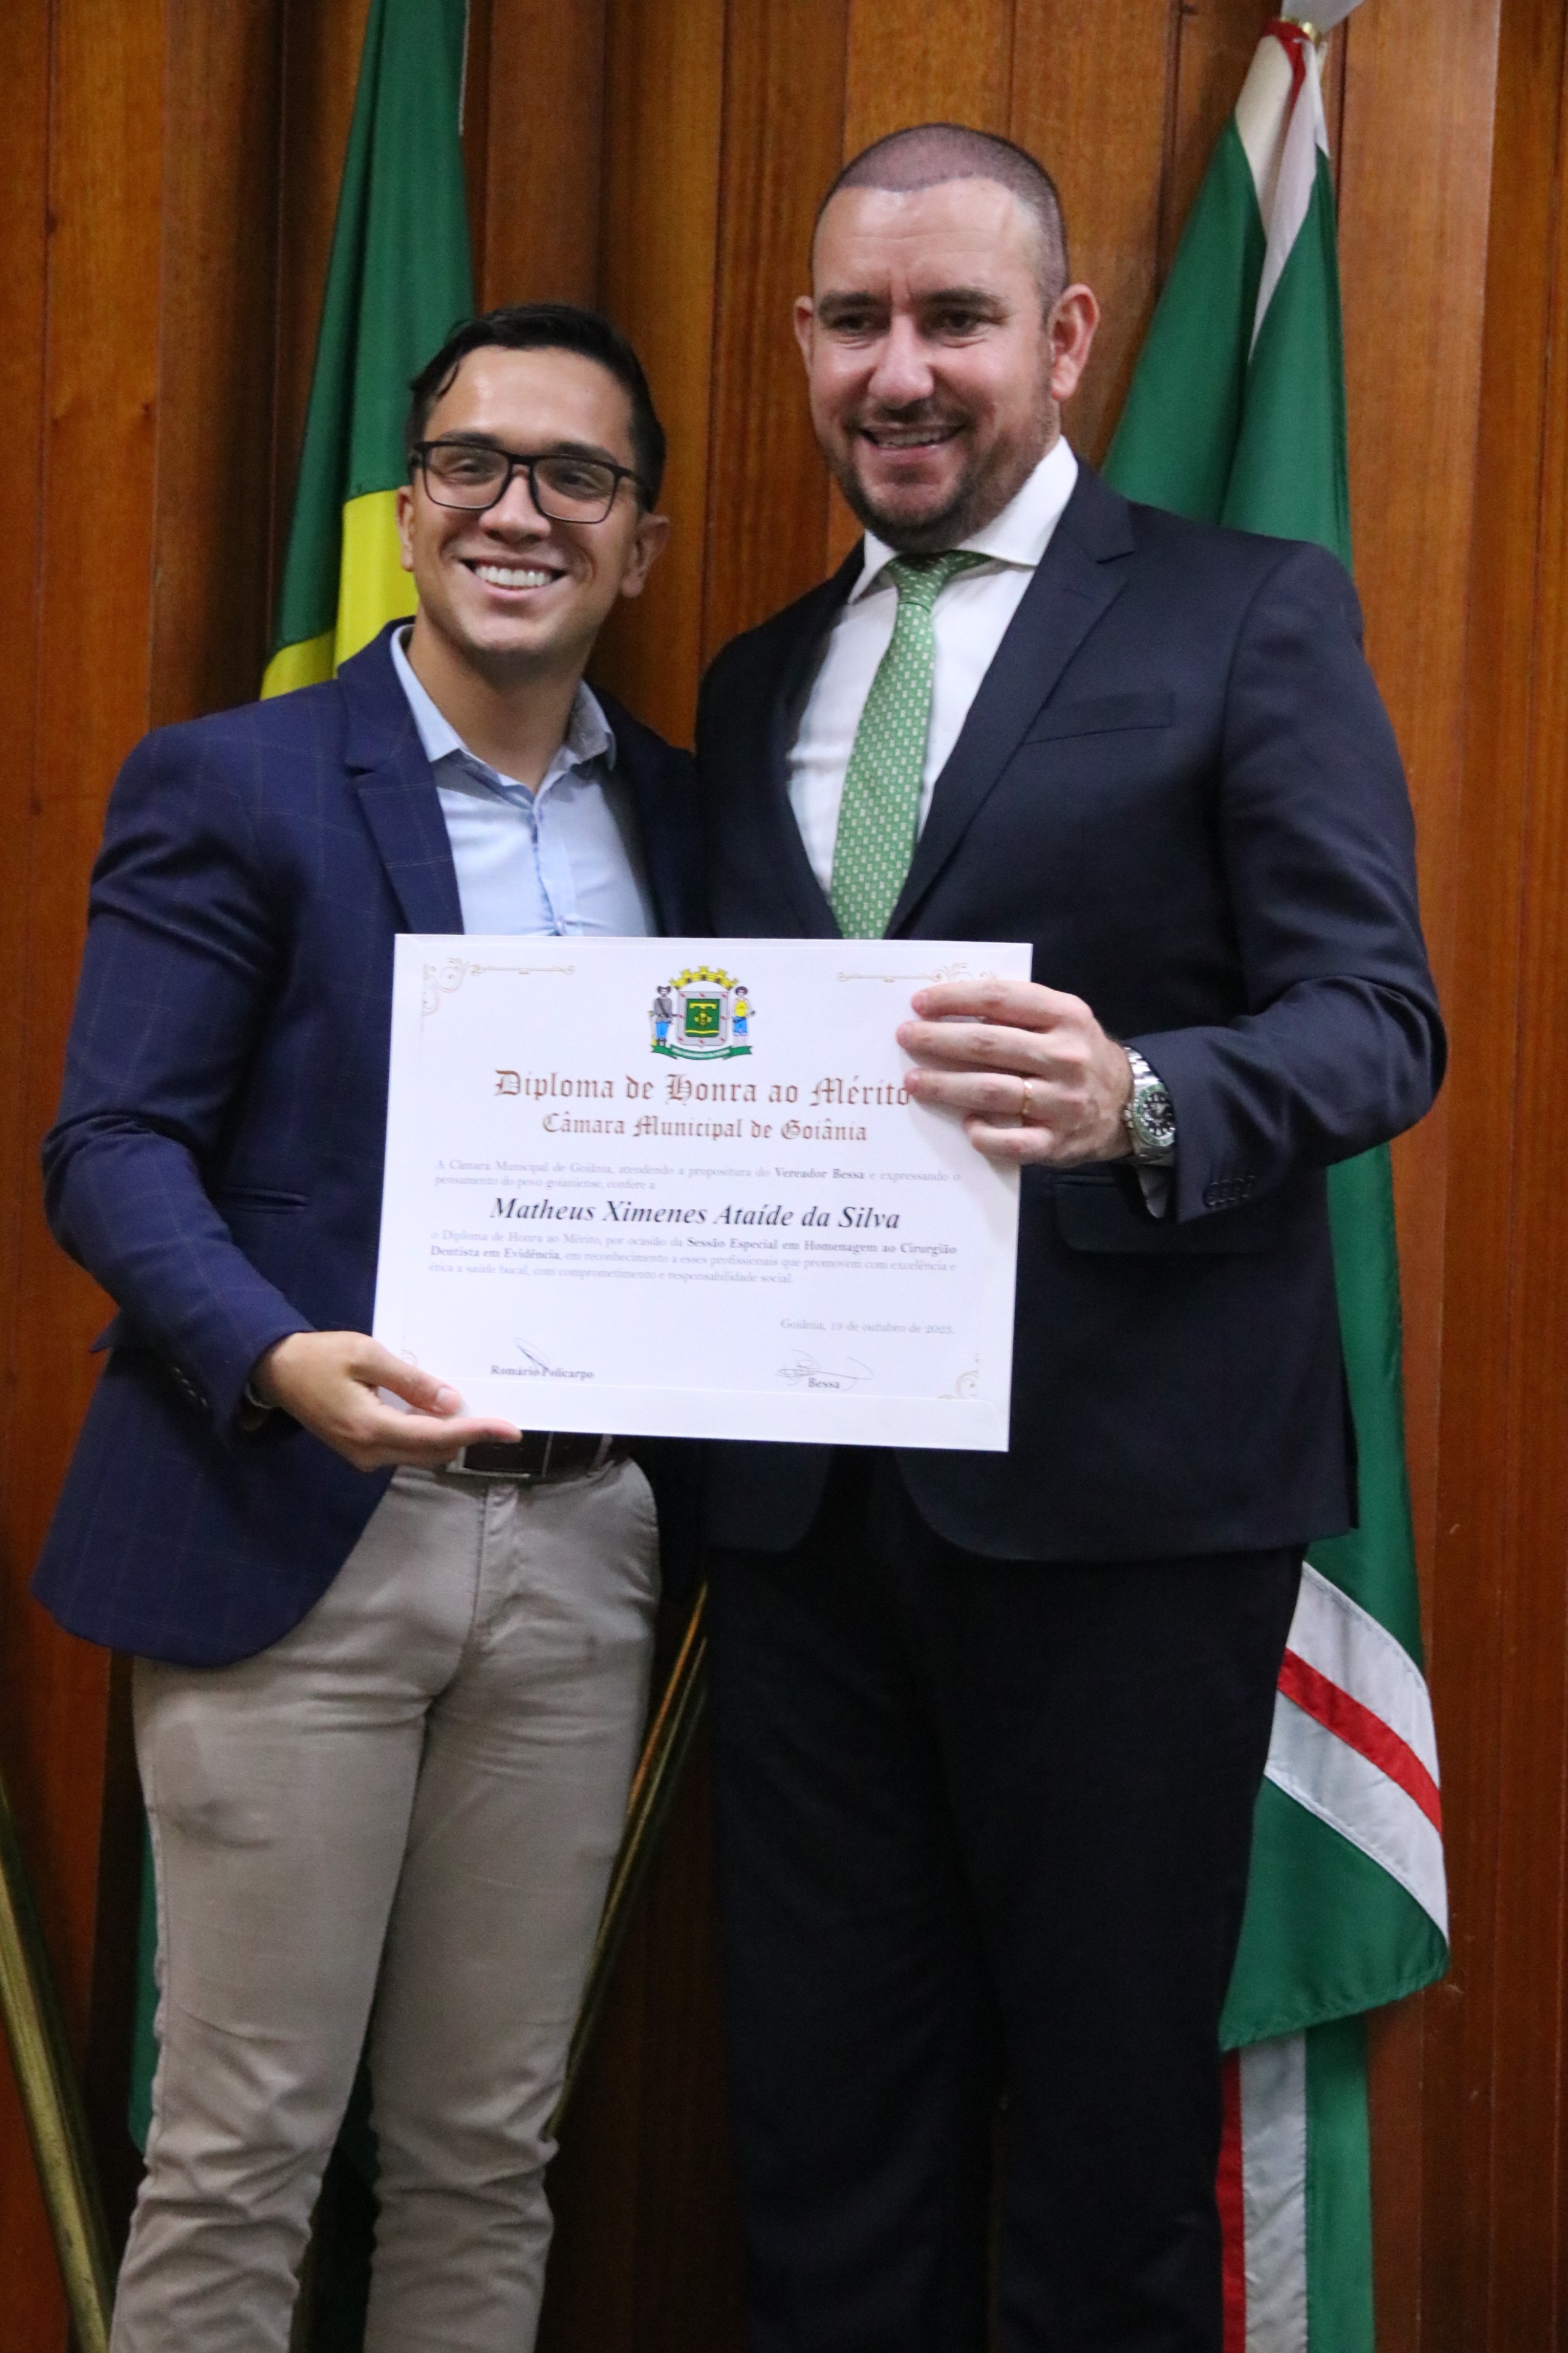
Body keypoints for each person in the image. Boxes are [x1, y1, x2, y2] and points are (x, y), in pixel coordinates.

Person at [696, 124, 1443, 2352]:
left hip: (1127, 1523)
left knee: (1111, 2170)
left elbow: (1376, 1019)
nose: (900, 371)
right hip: (801, 1527)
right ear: (804, 344)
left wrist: (1144, 1100)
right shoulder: (748, 679)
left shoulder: (1246, 612)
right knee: (824, 2153)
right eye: (856, 322)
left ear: (1069, 337)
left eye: (956, 318)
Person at [33, 302, 702, 2353]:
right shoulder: (232, 783)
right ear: (409, 510)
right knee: (243, 2148)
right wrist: (275, 1359)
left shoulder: (691, 824)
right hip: (291, 1523)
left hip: (585, 1543)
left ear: (642, 544)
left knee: (489, 2152)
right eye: (473, 465)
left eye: (576, 476)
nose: (520, 511)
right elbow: (110, 1148)